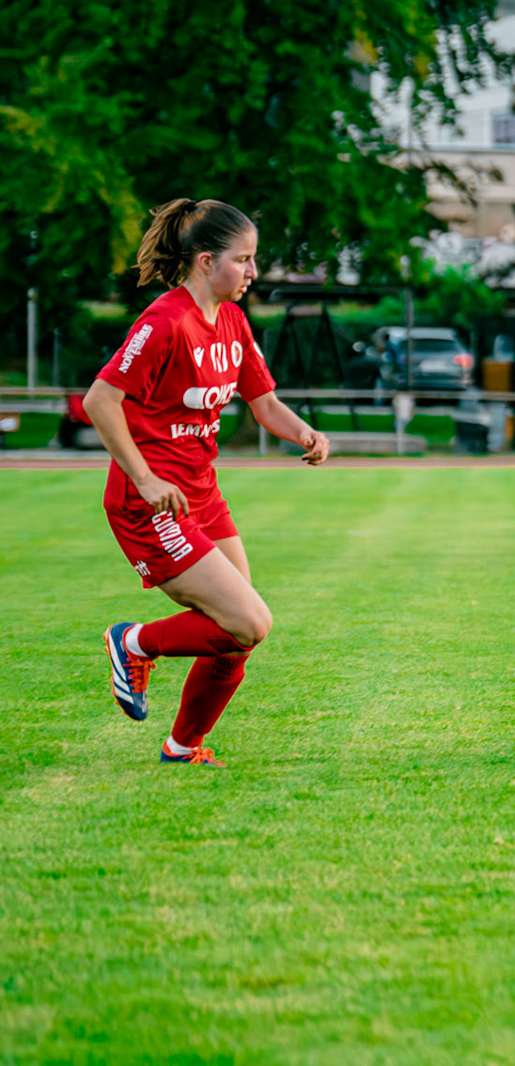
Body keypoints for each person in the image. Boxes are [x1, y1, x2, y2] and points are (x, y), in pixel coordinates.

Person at [87, 199, 332, 767]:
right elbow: (101, 400)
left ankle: (183, 746)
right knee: (250, 621)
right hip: (151, 503)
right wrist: (144, 480)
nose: (252, 272)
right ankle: (133, 642)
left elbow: (264, 404)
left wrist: (305, 433)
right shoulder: (164, 322)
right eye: (242, 261)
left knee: (237, 634)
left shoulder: (232, 321)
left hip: (201, 494)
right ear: (204, 261)